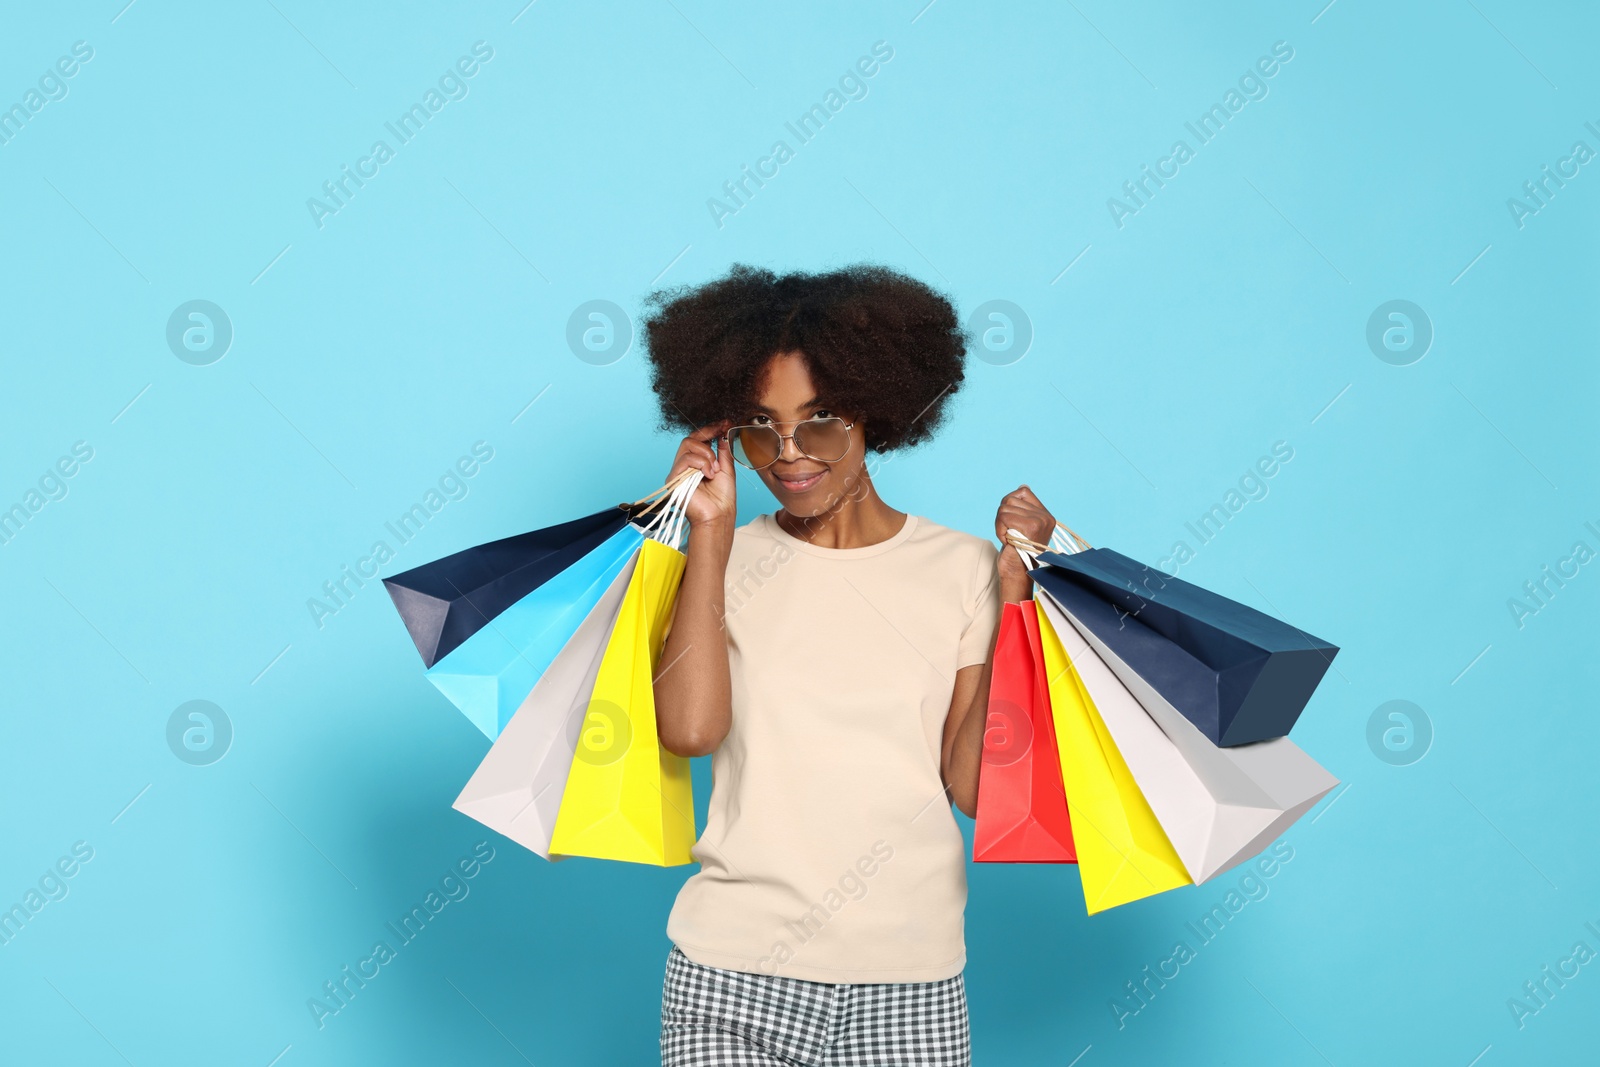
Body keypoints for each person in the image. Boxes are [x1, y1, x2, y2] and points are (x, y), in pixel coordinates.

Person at [640, 263, 1057, 1066]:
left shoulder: (963, 567)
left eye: (820, 419)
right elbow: (689, 730)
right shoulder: (720, 559)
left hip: (911, 985)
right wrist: (711, 537)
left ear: (874, 410)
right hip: (730, 974)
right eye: (762, 425)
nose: (790, 452)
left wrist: (1016, 601)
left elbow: (974, 787)